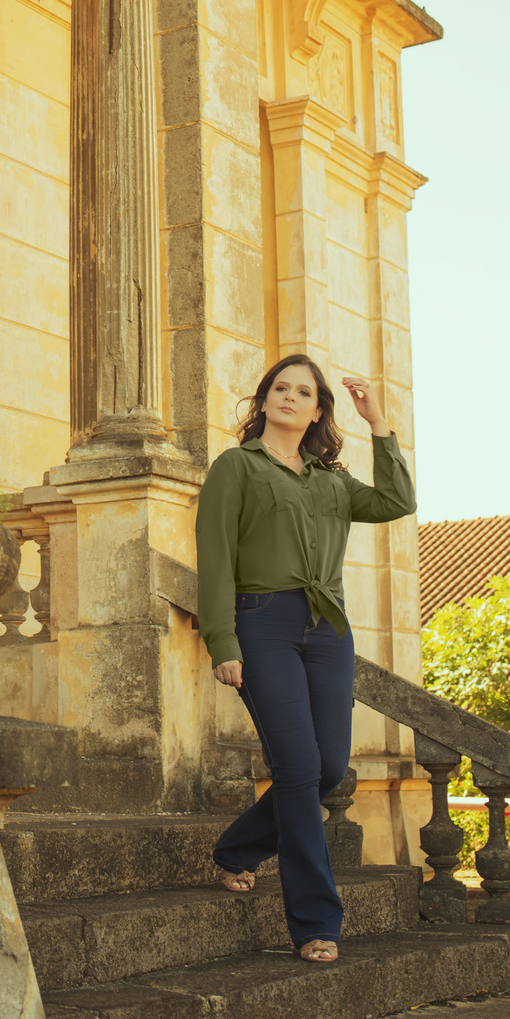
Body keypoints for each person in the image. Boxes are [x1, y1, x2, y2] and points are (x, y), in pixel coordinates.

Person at [195, 355, 416, 963]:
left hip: (328, 631)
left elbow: (396, 501)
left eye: (304, 392)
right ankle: (317, 922)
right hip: (262, 624)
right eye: (280, 388)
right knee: (296, 769)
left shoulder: (331, 480)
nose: (290, 397)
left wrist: (380, 425)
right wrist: (223, 641)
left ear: (318, 410)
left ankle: (238, 849)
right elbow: (215, 557)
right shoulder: (236, 468)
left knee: (326, 770)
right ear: (264, 399)